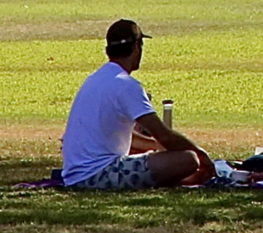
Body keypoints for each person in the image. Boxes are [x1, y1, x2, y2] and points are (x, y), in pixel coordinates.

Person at [61, 20, 214, 189]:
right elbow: (164, 135)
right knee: (188, 159)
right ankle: (190, 179)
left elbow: (119, 134)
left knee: (153, 155)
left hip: (76, 175)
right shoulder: (126, 85)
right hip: (98, 175)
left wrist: (154, 146)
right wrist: (202, 155)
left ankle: (182, 179)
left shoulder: (95, 79)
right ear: (136, 48)